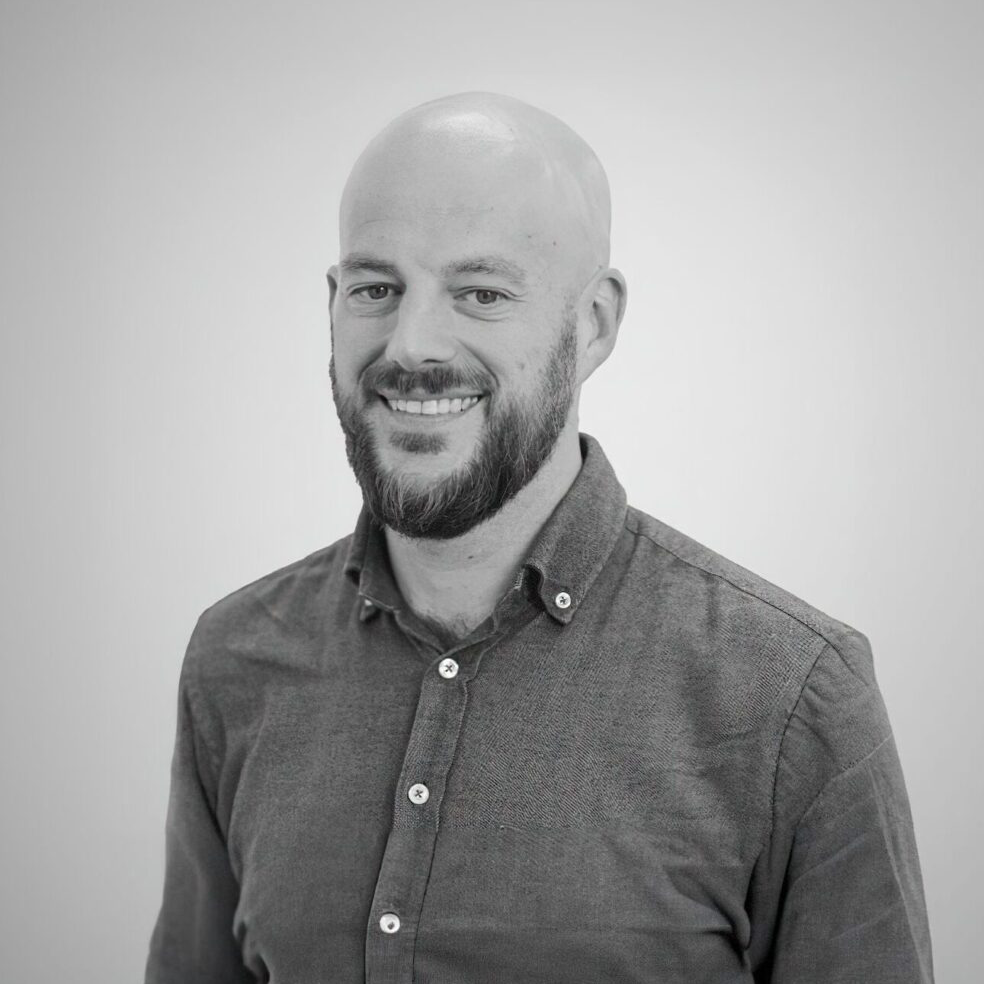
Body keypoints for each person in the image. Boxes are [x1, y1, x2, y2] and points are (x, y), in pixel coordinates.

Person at [145, 92, 934, 983]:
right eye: (376, 288)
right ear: (332, 304)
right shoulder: (234, 659)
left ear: (592, 324)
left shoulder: (793, 697)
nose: (412, 343)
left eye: (481, 291)